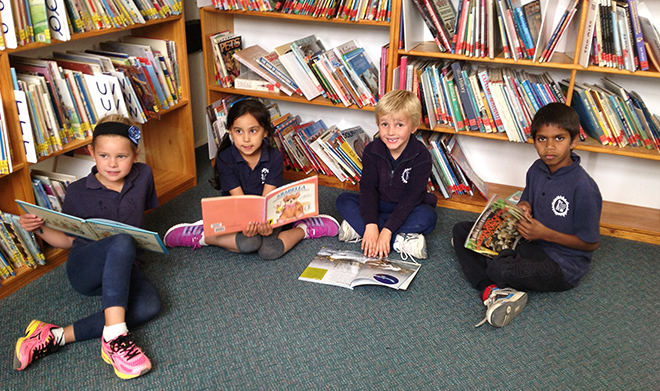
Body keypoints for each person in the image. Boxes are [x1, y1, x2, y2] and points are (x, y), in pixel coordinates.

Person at [13, 115, 161, 379]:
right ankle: (115, 339)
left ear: (135, 155)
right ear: (91, 152)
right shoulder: (77, 192)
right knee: (122, 240)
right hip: (85, 269)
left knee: (150, 305)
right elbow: (70, 241)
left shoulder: (144, 175)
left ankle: (54, 336)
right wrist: (39, 228)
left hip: (125, 267)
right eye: (104, 155)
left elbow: (142, 214)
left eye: (122, 157)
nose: (112, 164)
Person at [452, 102, 602, 328]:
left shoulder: (584, 189)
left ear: (574, 141)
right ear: (534, 141)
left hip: (561, 264)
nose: (549, 147)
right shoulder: (536, 168)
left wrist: (545, 233)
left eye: (559, 138)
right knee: (461, 230)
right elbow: (528, 199)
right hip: (529, 241)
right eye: (542, 139)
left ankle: (492, 275)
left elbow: (590, 244)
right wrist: (524, 206)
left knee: (500, 267)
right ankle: (491, 290)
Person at [163, 99, 339, 259]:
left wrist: (266, 223)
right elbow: (239, 201)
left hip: (268, 214)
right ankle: (205, 235)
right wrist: (246, 224)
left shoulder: (274, 157)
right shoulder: (225, 158)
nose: (246, 139)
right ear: (230, 131)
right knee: (249, 243)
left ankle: (304, 229)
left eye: (253, 131)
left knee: (270, 251)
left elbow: (267, 200)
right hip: (238, 212)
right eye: (238, 131)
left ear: (265, 132)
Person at [335, 89, 438, 261]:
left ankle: (366, 233)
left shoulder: (422, 155)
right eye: (384, 124)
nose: (391, 132)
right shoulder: (372, 150)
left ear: (413, 127)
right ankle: (399, 240)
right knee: (343, 200)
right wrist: (371, 224)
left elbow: (412, 198)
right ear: (378, 125)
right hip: (378, 205)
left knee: (428, 217)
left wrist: (387, 230)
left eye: (399, 125)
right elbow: (368, 189)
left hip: (407, 207)